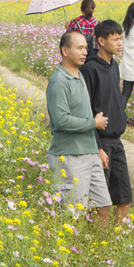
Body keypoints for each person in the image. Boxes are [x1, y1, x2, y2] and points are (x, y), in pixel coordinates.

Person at [46, 31, 112, 223]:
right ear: (64, 50)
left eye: (86, 47)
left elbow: (80, 112)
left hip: (89, 151)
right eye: (80, 48)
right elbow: (61, 121)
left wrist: (97, 147)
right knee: (73, 213)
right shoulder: (59, 82)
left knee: (103, 204)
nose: (85, 52)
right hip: (69, 154)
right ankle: (72, 250)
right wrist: (94, 123)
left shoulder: (79, 75)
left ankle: (99, 250)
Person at [81, 20, 131, 223]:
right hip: (100, 142)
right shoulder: (90, 69)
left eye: (121, 39)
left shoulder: (114, 65)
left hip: (117, 141)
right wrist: (98, 147)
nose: (120, 43)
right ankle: (100, 244)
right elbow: (87, 112)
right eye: (116, 39)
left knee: (124, 198)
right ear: (101, 41)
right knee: (102, 202)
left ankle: (117, 243)